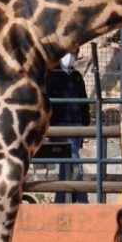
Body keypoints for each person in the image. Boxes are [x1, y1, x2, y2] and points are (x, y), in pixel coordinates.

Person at [45, 51, 91, 203]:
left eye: (75, 53)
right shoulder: (52, 75)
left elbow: (84, 101)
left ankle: (61, 201)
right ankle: (81, 201)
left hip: (77, 125)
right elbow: (48, 100)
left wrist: (85, 123)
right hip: (61, 125)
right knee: (73, 163)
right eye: (70, 52)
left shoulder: (76, 76)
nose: (73, 55)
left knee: (68, 164)